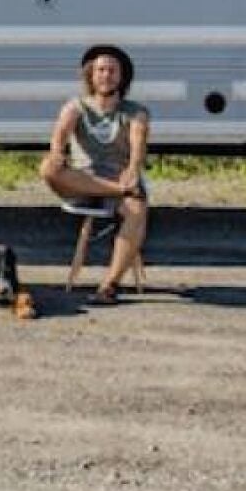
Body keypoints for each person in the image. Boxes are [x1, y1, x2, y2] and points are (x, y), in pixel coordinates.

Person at [39, 44, 150, 305]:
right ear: (90, 74)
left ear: (122, 77)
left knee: (136, 209)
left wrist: (133, 169)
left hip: (117, 178)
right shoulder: (75, 106)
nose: (106, 75)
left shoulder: (135, 112)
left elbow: (138, 143)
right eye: (101, 69)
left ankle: (109, 285)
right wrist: (57, 152)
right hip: (82, 181)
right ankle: (118, 192)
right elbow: (60, 135)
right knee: (47, 167)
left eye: (112, 70)